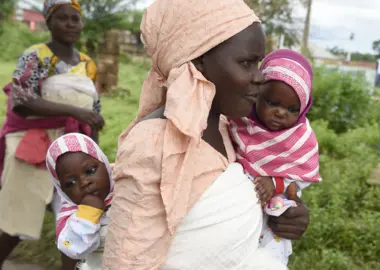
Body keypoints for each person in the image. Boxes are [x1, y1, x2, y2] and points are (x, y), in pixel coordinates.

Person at [102, 0, 310, 269]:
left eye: (258, 63)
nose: (260, 78)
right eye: (246, 63)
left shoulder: (227, 129)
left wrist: (284, 213)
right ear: (199, 61)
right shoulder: (155, 145)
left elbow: (226, 212)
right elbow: (127, 261)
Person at [0, 1, 104, 269]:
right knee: (16, 224)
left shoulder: (88, 64)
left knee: (75, 223)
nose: (71, 24)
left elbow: (94, 113)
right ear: (49, 22)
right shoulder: (36, 56)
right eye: (63, 19)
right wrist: (75, 112)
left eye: (76, 19)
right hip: (33, 145)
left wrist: (94, 157)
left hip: (72, 151)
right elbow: (20, 101)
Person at [229, 49, 320, 265]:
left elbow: (299, 178)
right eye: (273, 103)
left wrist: (276, 183)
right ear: (258, 93)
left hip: (273, 220)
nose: (281, 113)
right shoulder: (237, 120)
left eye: (292, 109)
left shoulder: (299, 138)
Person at [46, 133, 113, 270]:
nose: (84, 183)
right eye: (70, 183)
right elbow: (72, 247)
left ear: (104, 163)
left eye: (90, 171)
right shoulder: (70, 216)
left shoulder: (127, 187)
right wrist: (88, 215)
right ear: (62, 190)